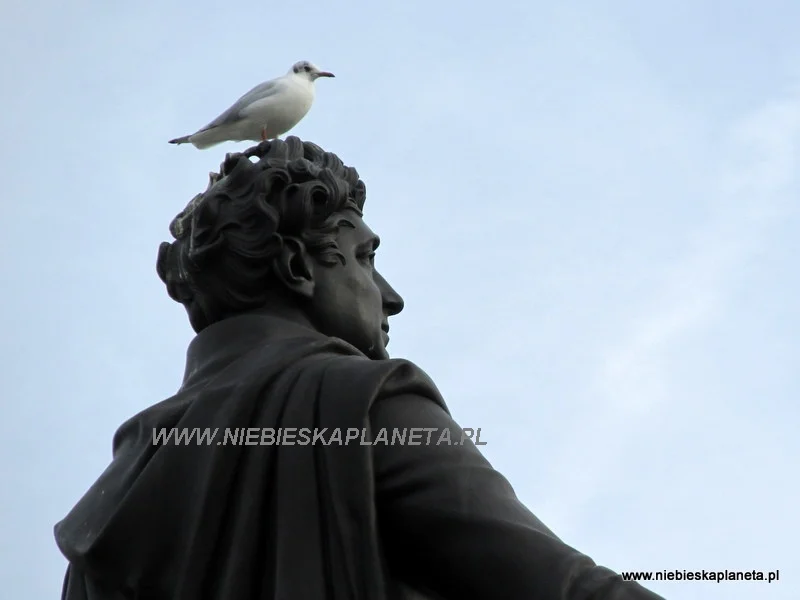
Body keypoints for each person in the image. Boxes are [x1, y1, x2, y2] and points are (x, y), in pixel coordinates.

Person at [54, 137, 664, 599]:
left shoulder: (119, 489)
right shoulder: (363, 402)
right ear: (297, 267)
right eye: (365, 259)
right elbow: (559, 588)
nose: (390, 295)